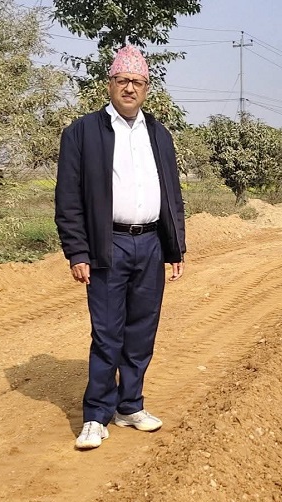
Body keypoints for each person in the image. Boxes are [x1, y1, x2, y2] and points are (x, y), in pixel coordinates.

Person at [55, 45, 187, 450]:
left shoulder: (159, 134)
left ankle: (130, 405)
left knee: (141, 331)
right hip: (107, 244)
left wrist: (175, 248)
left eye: (138, 82)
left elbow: (172, 193)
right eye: (123, 80)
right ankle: (96, 415)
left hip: (150, 243)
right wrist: (78, 251)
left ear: (147, 88)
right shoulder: (82, 133)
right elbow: (68, 198)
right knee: (107, 333)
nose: (130, 88)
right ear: (110, 84)